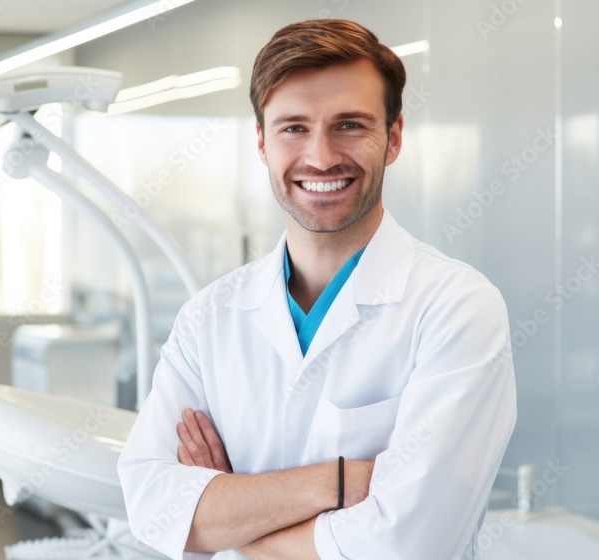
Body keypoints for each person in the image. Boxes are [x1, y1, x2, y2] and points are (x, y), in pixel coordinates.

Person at [117, 19, 517, 560]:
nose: (322, 156)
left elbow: (405, 545)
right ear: (261, 142)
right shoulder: (208, 317)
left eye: (350, 124)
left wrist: (232, 515)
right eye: (293, 128)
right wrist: (338, 482)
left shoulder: (457, 307)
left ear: (393, 137)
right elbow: (153, 511)